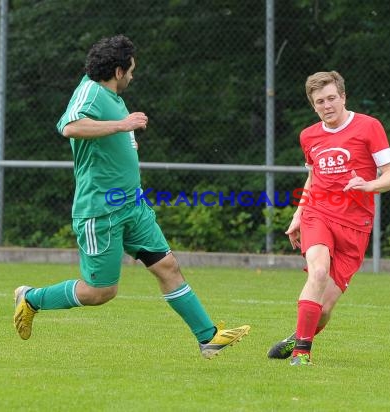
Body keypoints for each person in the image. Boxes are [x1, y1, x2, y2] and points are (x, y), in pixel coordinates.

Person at [13, 35, 250, 359]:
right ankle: (31, 298)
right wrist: (123, 125)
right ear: (118, 70)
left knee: (167, 266)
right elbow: (70, 127)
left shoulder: (113, 97)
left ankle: (208, 338)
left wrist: (124, 131)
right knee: (101, 292)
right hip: (100, 210)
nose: (133, 76)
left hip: (132, 205)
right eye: (131, 70)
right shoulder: (90, 90)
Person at [267, 71, 390, 366]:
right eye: (319, 101)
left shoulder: (369, 127)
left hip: (355, 225)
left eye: (331, 98)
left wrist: (369, 185)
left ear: (343, 97)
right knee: (317, 272)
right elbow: (312, 177)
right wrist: (299, 214)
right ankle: (302, 354)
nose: (327, 105)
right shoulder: (308, 136)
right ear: (313, 105)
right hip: (319, 213)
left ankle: (297, 337)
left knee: (325, 308)